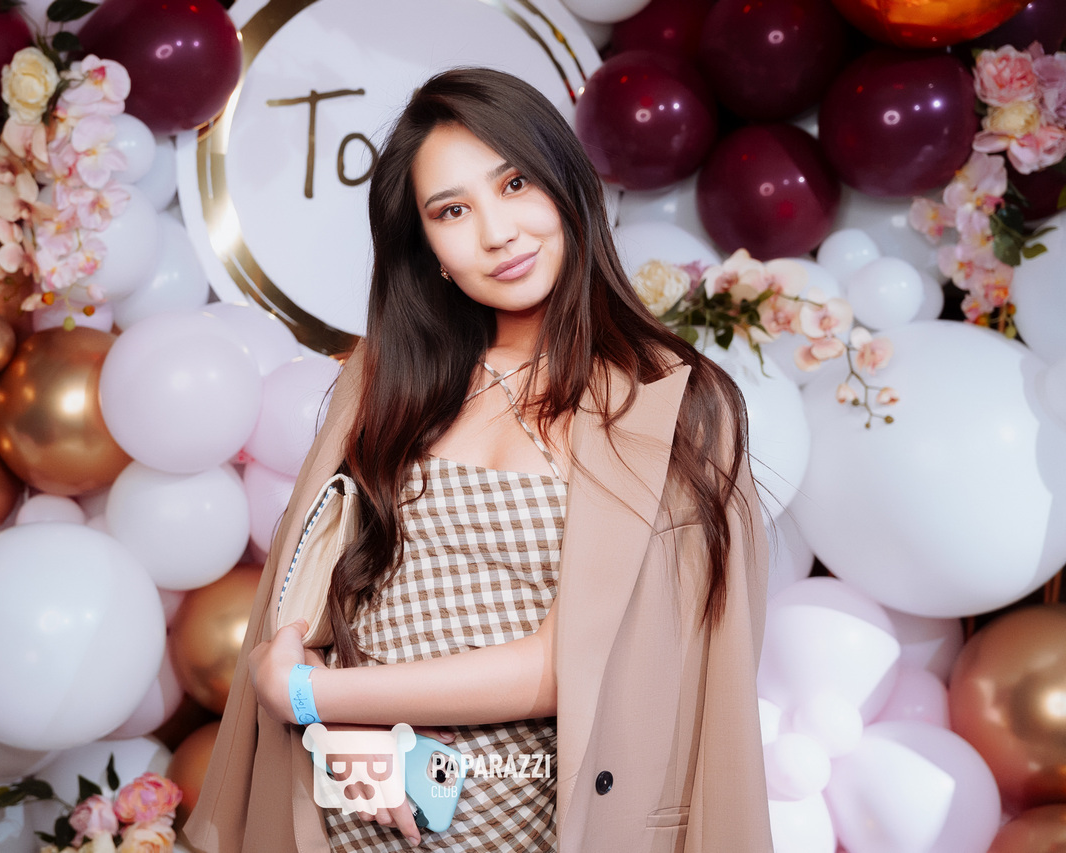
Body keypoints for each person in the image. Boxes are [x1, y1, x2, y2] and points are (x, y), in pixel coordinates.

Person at [181, 67, 772, 853]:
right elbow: (313, 590)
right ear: (427, 249)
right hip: (349, 820)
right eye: (452, 210)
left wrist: (314, 695)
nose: (497, 233)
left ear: (568, 185)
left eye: (515, 183)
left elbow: (573, 661)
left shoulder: (672, 405)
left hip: (540, 826)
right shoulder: (386, 379)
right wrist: (328, 726)